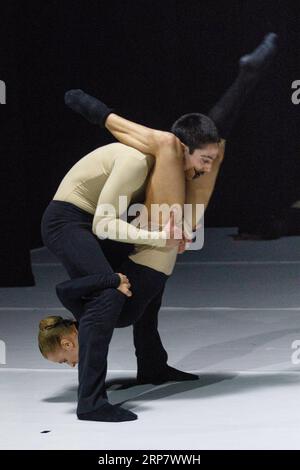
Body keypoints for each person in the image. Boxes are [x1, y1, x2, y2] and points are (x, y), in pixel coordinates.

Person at [40, 32, 278, 423]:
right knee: (108, 287)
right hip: (72, 220)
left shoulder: (157, 162)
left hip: (112, 229)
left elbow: (111, 227)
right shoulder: (142, 159)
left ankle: (151, 364)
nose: (201, 169)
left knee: (203, 156)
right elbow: (102, 225)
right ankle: (90, 402)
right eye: (197, 159)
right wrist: (156, 238)